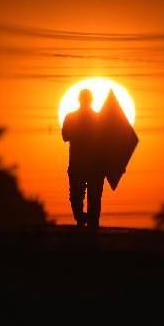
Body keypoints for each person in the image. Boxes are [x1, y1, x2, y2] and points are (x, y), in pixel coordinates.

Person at [62, 89, 106, 228]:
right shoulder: (98, 118)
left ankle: (88, 224)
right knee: (81, 196)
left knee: (84, 196)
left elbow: (108, 142)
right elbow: (65, 136)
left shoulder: (99, 118)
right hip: (84, 165)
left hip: (88, 165)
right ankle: (84, 220)